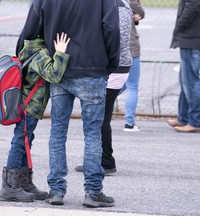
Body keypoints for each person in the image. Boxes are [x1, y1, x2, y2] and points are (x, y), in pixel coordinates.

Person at [16, 0, 120, 208]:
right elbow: (112, 28)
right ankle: (93, 191)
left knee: (58, 132)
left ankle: (56, 190)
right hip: (93, 68)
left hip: (59, 67)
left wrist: (21, 54)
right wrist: (110, 62)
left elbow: (30, 28)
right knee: (92, 133)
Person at [0, 32, 71, 203]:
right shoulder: (40, 54)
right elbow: (54, 75)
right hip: (29, 106)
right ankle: (10, 187)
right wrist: (60, 53)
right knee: (19, 142)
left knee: (25, 141)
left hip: (28, 105)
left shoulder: (31, 47)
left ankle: (24, 183)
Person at [75, 0, 132, 175]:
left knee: (99, 117)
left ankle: (105, 162)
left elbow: (118, 38)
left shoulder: (119, 5)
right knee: (98, 116)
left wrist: (102, 61)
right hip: (109, 66)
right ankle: (98, 160)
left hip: (114, 67)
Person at [168, 0, 200, 132]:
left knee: (191, 82)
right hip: (190, 38)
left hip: (192, 39)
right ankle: (184, 118)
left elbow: (192, 6)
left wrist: (179, 26)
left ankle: (195, 121)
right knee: (185, 80)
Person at [120, 0, 145, 132]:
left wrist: (135, 17)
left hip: (114, 45)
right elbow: (140, 11)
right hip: (130, 46)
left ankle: (98, 110)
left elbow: (138, 14)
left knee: (118, 83)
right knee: (132, 85)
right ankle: (129, 123)